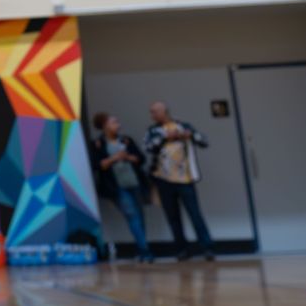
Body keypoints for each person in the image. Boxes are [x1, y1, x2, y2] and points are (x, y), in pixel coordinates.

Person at [145, 101, 215, 262]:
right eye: (151, 112)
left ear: (165, 111)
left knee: (195, 214)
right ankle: (182, 250)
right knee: (173, 217)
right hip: (163, 180)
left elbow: (204, 141)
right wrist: (164, 137)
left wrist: (190, 135)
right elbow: (147, 147)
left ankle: (207, 248)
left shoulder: (184, 125)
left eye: (155, 111)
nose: (152, 115)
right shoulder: (153, 130)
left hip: (185, 179)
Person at [89, 113, 151, 262]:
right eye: (114, 122)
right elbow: (97, 165)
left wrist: (127, 157)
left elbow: (141, 159)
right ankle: (145, 251)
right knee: (132, 215)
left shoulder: (126, 140)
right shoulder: (98, 143)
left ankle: (141, 248)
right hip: (116, 187)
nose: (118, 125)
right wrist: (115, 158)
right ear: (104, 126)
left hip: (134, 183)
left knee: (140, 217)